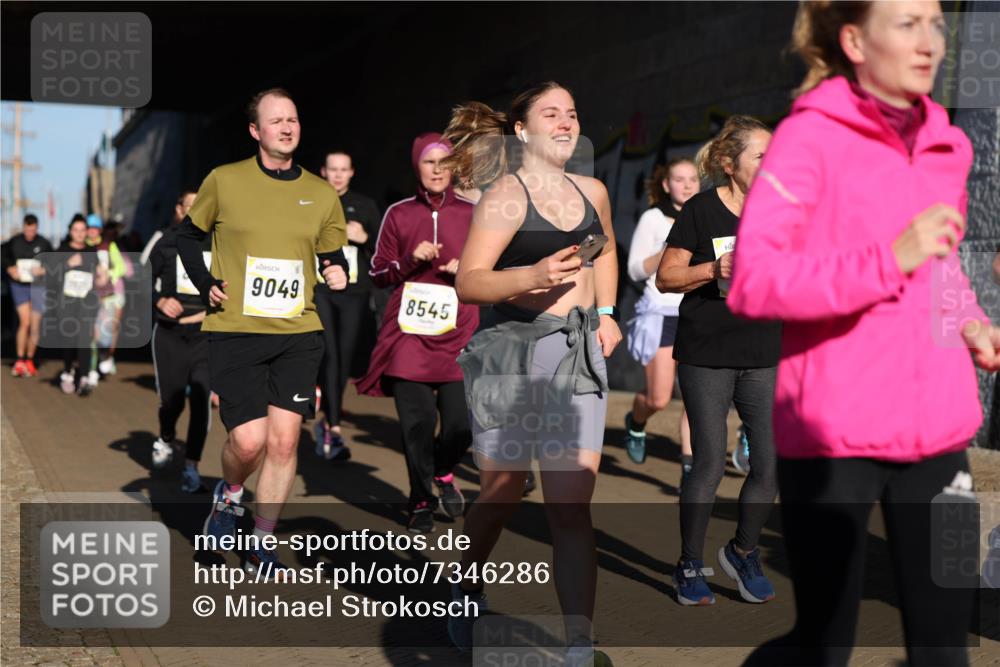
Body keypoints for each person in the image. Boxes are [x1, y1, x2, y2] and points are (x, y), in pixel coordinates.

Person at [732, 2, 994, 664]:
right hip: (832, 432)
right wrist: (886, 260)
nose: (929, 40)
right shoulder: (807, 139)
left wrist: (967, 321)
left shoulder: (949, 145)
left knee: (944, 647)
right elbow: (754, 280)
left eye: (935, 23)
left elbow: (939, 269)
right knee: (823, 645)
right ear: (854, 39)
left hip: (937, 429)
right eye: (906, 23)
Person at [443, 82, 621, 665]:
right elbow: (470, 282)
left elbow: (608, 249)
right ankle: (462, 583)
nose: (566, 122)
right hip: (513, 356)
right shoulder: (505, 196)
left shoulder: (593, 189)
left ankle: (577, 647)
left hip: (577, 356)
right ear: (522, 131)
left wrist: (610, 312)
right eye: (552, 114)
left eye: (572, 113)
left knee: (571, 506)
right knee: (500, 493)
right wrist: (532, 275)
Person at [177, 88, 349, 577]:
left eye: (293, 119)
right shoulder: (225, 181)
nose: (287, 127)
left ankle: (262, 542)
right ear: (255, 131)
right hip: (236, 330)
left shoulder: (320, 193)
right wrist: (207, 283)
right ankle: (229, 494)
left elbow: (331, 254)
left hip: (298, 332)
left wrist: (337, 272)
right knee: (248, 444)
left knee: (283, 444)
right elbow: (188, 238)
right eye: (276, 121)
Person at [656, 115, 781, 607]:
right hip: (707, 354)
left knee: (770, 466)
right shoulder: (701, 211)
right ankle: (689, 563)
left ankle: (743, 551)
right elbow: (667, 277)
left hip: (765, 352)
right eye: (761, 157)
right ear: (731, 165)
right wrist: (714, 268)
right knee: (708, 461)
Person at [355, 132, 478, 534]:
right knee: (417, 424)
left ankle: (442, 470)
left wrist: (467, 271)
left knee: (461, 423)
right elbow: (377, 274)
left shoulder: (474, 214)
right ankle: (420, 498)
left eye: (445, 162)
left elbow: (494, 271)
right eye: (429, 162)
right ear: (417, 167)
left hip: (460, 331)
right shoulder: (399, 214)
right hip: (409, 331)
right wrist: (409, 260)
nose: (438, 170)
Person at [624, 160, 697, 482]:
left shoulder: (703, 214)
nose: (687, 185)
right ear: (667, 185)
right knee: (659, 398)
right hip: (662, 312)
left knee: (697, 397)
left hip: (697, 313)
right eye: (679, 180)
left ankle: (690, 467)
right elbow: (635, 270)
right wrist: (670, 249)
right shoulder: (653, 218)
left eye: (693, 179)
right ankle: (637, 422)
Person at [312, 150, 382, 461]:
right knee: (329, 352)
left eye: (344, 170)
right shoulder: (311, 201)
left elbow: (384, 249)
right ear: (323, 172)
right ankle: (334, 426)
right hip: (320, 289)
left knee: (344, 355)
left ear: (351, 172)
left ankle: (327, 418)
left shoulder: (365, 205)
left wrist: (364, 236)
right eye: (333, 169)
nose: (338, 175)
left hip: (354, 292)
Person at [148, 189, 212, 493]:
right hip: (170, 334)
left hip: (205, 335)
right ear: (179, 209)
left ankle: (191, 467)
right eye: (191, 205)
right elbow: (138, 279)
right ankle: (166, 436)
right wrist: (159, 300)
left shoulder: (219, 240)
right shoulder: (166, 240)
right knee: (172, 401)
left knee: (201, 402)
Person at [52, 216, 105, 396]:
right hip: (66, 302)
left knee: (84, 338)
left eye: (83, 230)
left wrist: (102, 277)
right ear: (70, 232)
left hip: (86, 303)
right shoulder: (62, 250)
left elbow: (99, 276)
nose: (80, 234)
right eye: (76, 230)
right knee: (68, 338)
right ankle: (67, 373)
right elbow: (52, 277)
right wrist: (67, 264)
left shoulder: (92, 251)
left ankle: (83, 376)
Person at [3, 213, 53, 377]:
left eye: (33, 230)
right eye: (27, 229)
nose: (30, 233)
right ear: (23, 227)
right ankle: (19, 359)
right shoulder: (14, 242)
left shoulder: (44, 243)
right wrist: (10, 268)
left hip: (38, 287)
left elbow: (53, 262)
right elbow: (2, 256)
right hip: (19, 286)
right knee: (24, 322)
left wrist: (44, 269)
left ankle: (30, 359)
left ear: (36, 228)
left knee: (34, 325)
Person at [85, 214, 128, 378]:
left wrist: (108, 274)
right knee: (93, 330)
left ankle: (108, 356)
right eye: (89, 228)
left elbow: (121, 267)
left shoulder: (109, 246)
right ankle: (93, 362)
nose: (92, 232)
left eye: (95, 229)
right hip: (91, 294)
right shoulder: (82, 246)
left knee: (111, 327)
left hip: (112, 294)